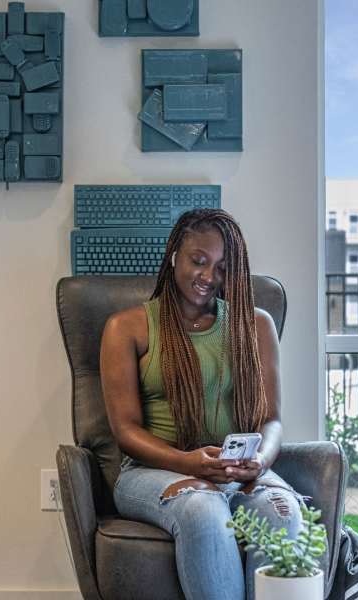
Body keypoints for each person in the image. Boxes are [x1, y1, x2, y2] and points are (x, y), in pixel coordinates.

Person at [100, 208, 304, 600]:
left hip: (238, 470)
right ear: (175, 252)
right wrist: (188, 463)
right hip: (153, 471)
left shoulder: (255, 325)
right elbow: (124, 431)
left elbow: (271, 420)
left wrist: (260, 461)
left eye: (222, 268)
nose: (209, 277)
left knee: (282, 512)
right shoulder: (126, 327)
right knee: (203, 508)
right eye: (199, 261)